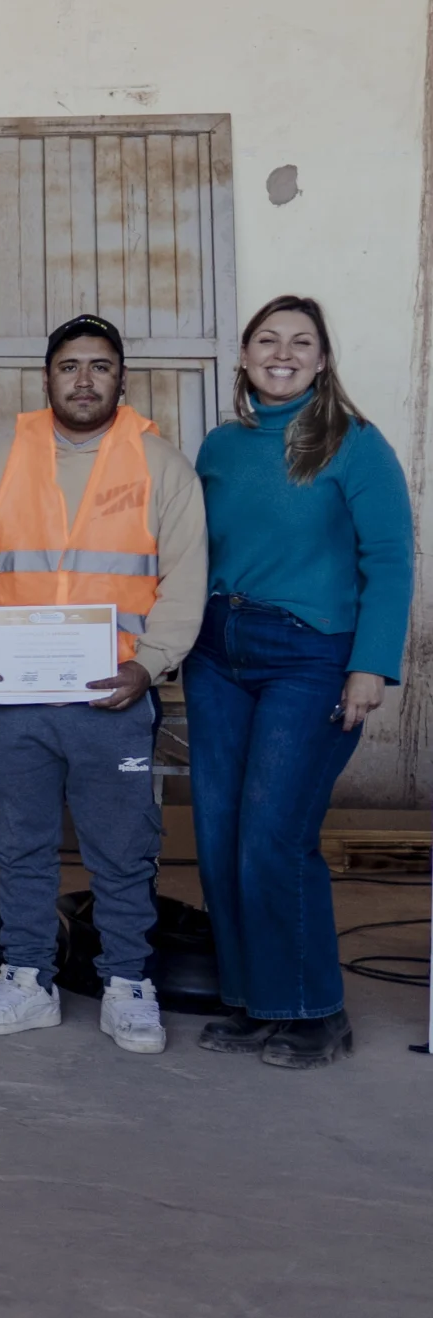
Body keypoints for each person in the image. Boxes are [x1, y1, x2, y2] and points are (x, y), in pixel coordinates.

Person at [0, 315, 206, 1056]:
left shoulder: (161, 466)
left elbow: (186, 577)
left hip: (110, 695)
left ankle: (129, 984)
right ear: (47, 377)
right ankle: (27, 976)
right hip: (16, 698)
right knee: (19, 845)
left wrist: (147, 664)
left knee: (123, 850)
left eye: (99, 366)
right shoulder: (3, 462)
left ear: (122, 378)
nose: (83, 379)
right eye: (69, 366)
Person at [185, 296, 412, 1069]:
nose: (283, 353)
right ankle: (257, 1001)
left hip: (310, 656)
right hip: (218, 651)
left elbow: (391, 558)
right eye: (267, 340)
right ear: (244, 355)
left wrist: (370, 665)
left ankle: (316, 1010)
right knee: (217, 839)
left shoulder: (354, 444)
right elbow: (190, 553)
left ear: (321, 360)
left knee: (274, 838)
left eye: (301, 342)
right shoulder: (219, 446)